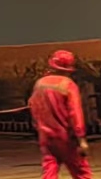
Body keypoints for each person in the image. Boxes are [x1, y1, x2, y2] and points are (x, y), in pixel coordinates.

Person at [29, 50, 91, 179]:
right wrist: (81, 138)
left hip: (46, 136)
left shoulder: (39, 84)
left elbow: (33, 108)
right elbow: (75, 113)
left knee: (50, 169)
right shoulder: (68, 85)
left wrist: (39, 128)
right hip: (66, 136)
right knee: (81, 172)